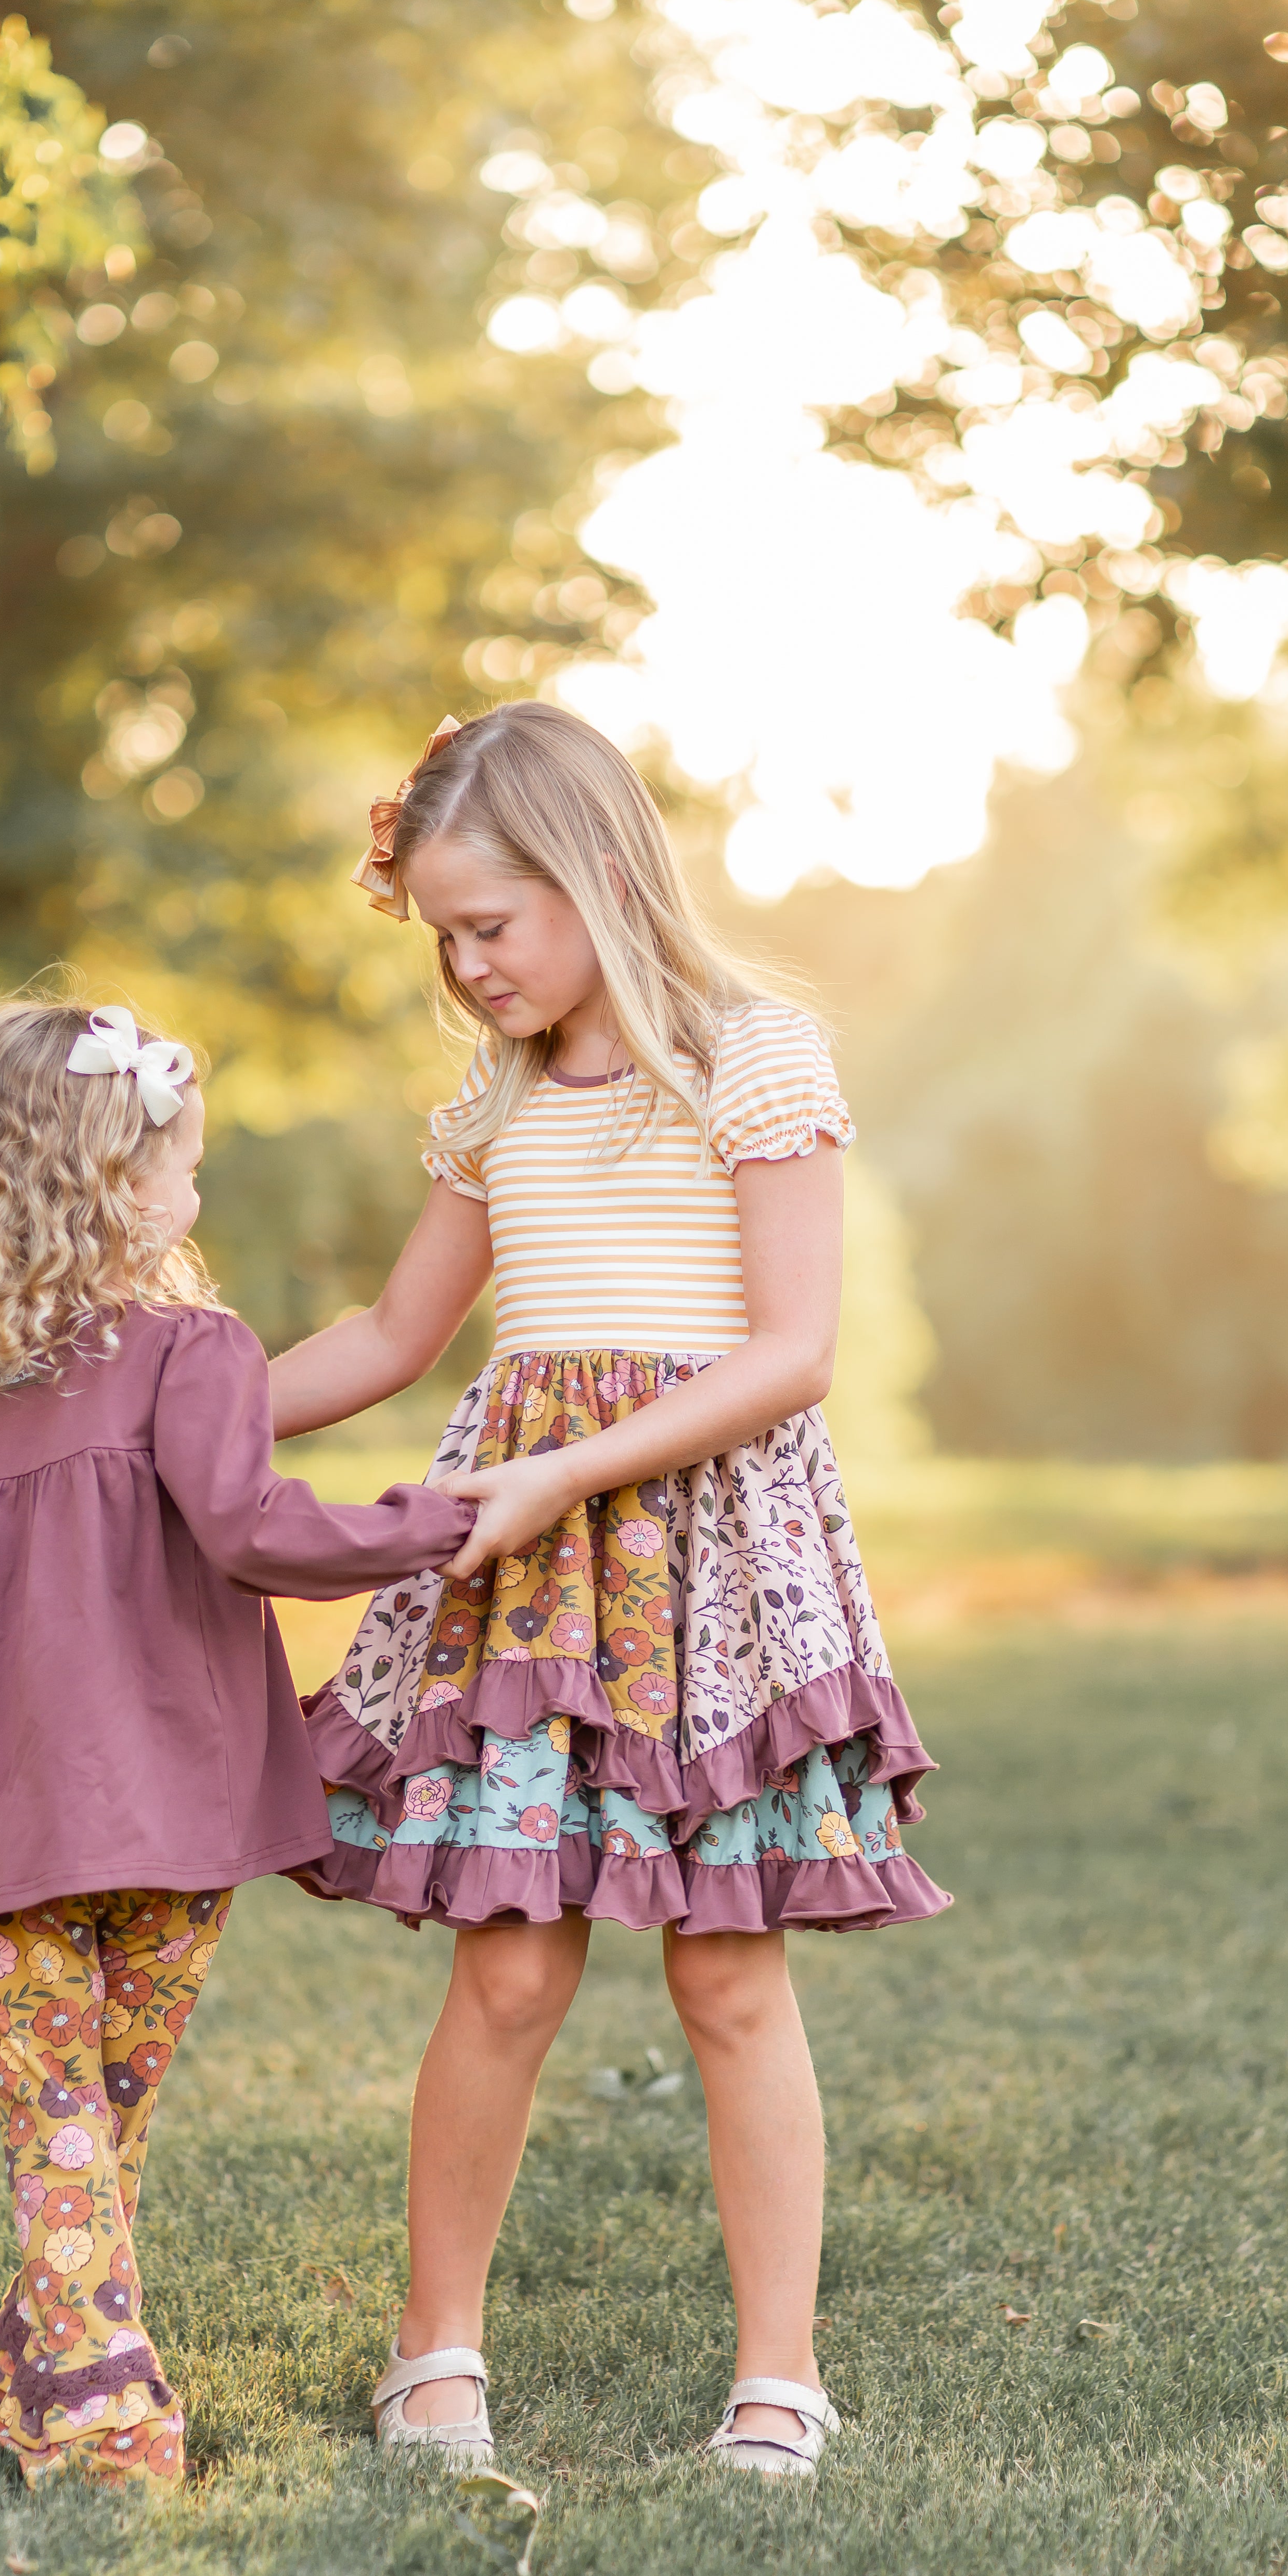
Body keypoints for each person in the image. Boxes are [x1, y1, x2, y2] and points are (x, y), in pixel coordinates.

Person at [268, 701, 950, 2481]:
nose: (468, 967)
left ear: (589, 876)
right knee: (505, 1968)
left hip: (708, 1569)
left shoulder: (753, 1056)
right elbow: (394, 1335)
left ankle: (779, 2378)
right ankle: (435, 2358)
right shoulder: (494, 1103)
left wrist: (571, 1466)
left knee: (731, 1976)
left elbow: (795, 1353)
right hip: (534, 1590)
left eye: (491, 924)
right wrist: (161, 1413)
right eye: (444, 938)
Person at [0, 995, 474, 2490]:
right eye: (185, 1168)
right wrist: (432, 1528)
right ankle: (103, 2415)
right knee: (101, 2117)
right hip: (176, 1812)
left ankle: (37, 2368)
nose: (194, 1194)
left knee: (62, 2121)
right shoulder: (195, 1350)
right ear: (119, 1188)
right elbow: (253, 1528)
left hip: (14, 1821)